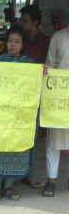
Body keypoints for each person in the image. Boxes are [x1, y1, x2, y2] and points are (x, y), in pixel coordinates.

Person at [0, 26, 36, 202]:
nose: (12, 44)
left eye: (17, 41)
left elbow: (36, 85)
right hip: (2, 114)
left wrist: (42, 74)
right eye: (10, 41)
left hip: (20, 116)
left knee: (15, 148)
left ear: (22, 44)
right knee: (1, 147)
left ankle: (9, 187)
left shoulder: (30, 64)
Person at [19, 4, 50, 189]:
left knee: (33, 132)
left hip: (37, 93)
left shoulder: (47, 41)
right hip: (18, 93)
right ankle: (11, 172)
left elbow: (52, 65)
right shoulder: (17, 39)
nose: (21, 23)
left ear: (35, 22)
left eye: (25, 20)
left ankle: (28, 172)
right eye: (21, 20)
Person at [42, 27, 69, 197]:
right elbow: (50, 64)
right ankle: (51, 181)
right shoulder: (58, 37)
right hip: (60, 96)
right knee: (54, 140)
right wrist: (47, 71)